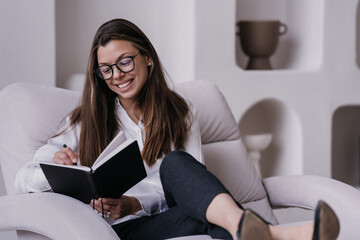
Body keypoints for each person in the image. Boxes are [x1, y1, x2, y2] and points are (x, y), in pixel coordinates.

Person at [15, 18, 340, 240]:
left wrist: (133, 202)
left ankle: (267, 234)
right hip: (118, 231)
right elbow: (22, 180)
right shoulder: (86, 121)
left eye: (125, 61)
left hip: (163, 217)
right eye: (106, 69)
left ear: (147, 58)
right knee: (226, 216)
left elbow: (186, 185)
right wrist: (54, 165)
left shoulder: (180, 114)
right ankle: (286, 235)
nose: (117, 75)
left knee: (207, 201)